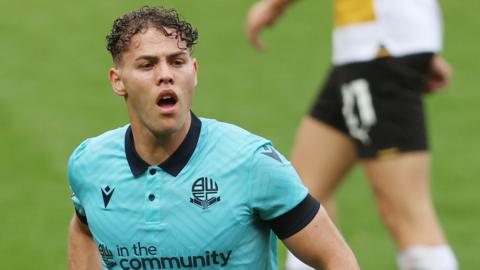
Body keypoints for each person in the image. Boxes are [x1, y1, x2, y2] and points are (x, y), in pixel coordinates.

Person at [67, 6, 359, 270]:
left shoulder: (250, 162)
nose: (165, 75)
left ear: (193, 72)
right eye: (147, 65)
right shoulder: (90, 164)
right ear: (118, 81)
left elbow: (336, 258)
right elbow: (83, 228)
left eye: (177, 62)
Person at [245, 0, 458, 270]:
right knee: (304, 196)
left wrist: (275, 5)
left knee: (406, 214)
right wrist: (419, 36)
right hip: (371, 44)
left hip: (377, 47)